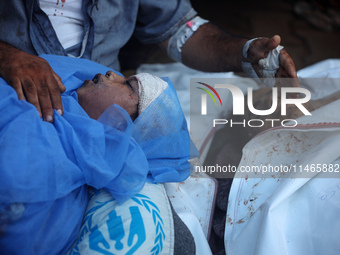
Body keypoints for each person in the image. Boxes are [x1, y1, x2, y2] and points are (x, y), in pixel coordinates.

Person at [0, 55, 194, 254]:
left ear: (123, 127)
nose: (113, 74)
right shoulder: (55, 79)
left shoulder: (58, 190)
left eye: (128, 85)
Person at [0, 0, 298, 123]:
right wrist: (7, 56)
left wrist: (243, 54)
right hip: (12, 101)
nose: (107, 75)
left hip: (106, 119)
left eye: (128, 84)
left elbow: (179, 28)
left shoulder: (118, 139)